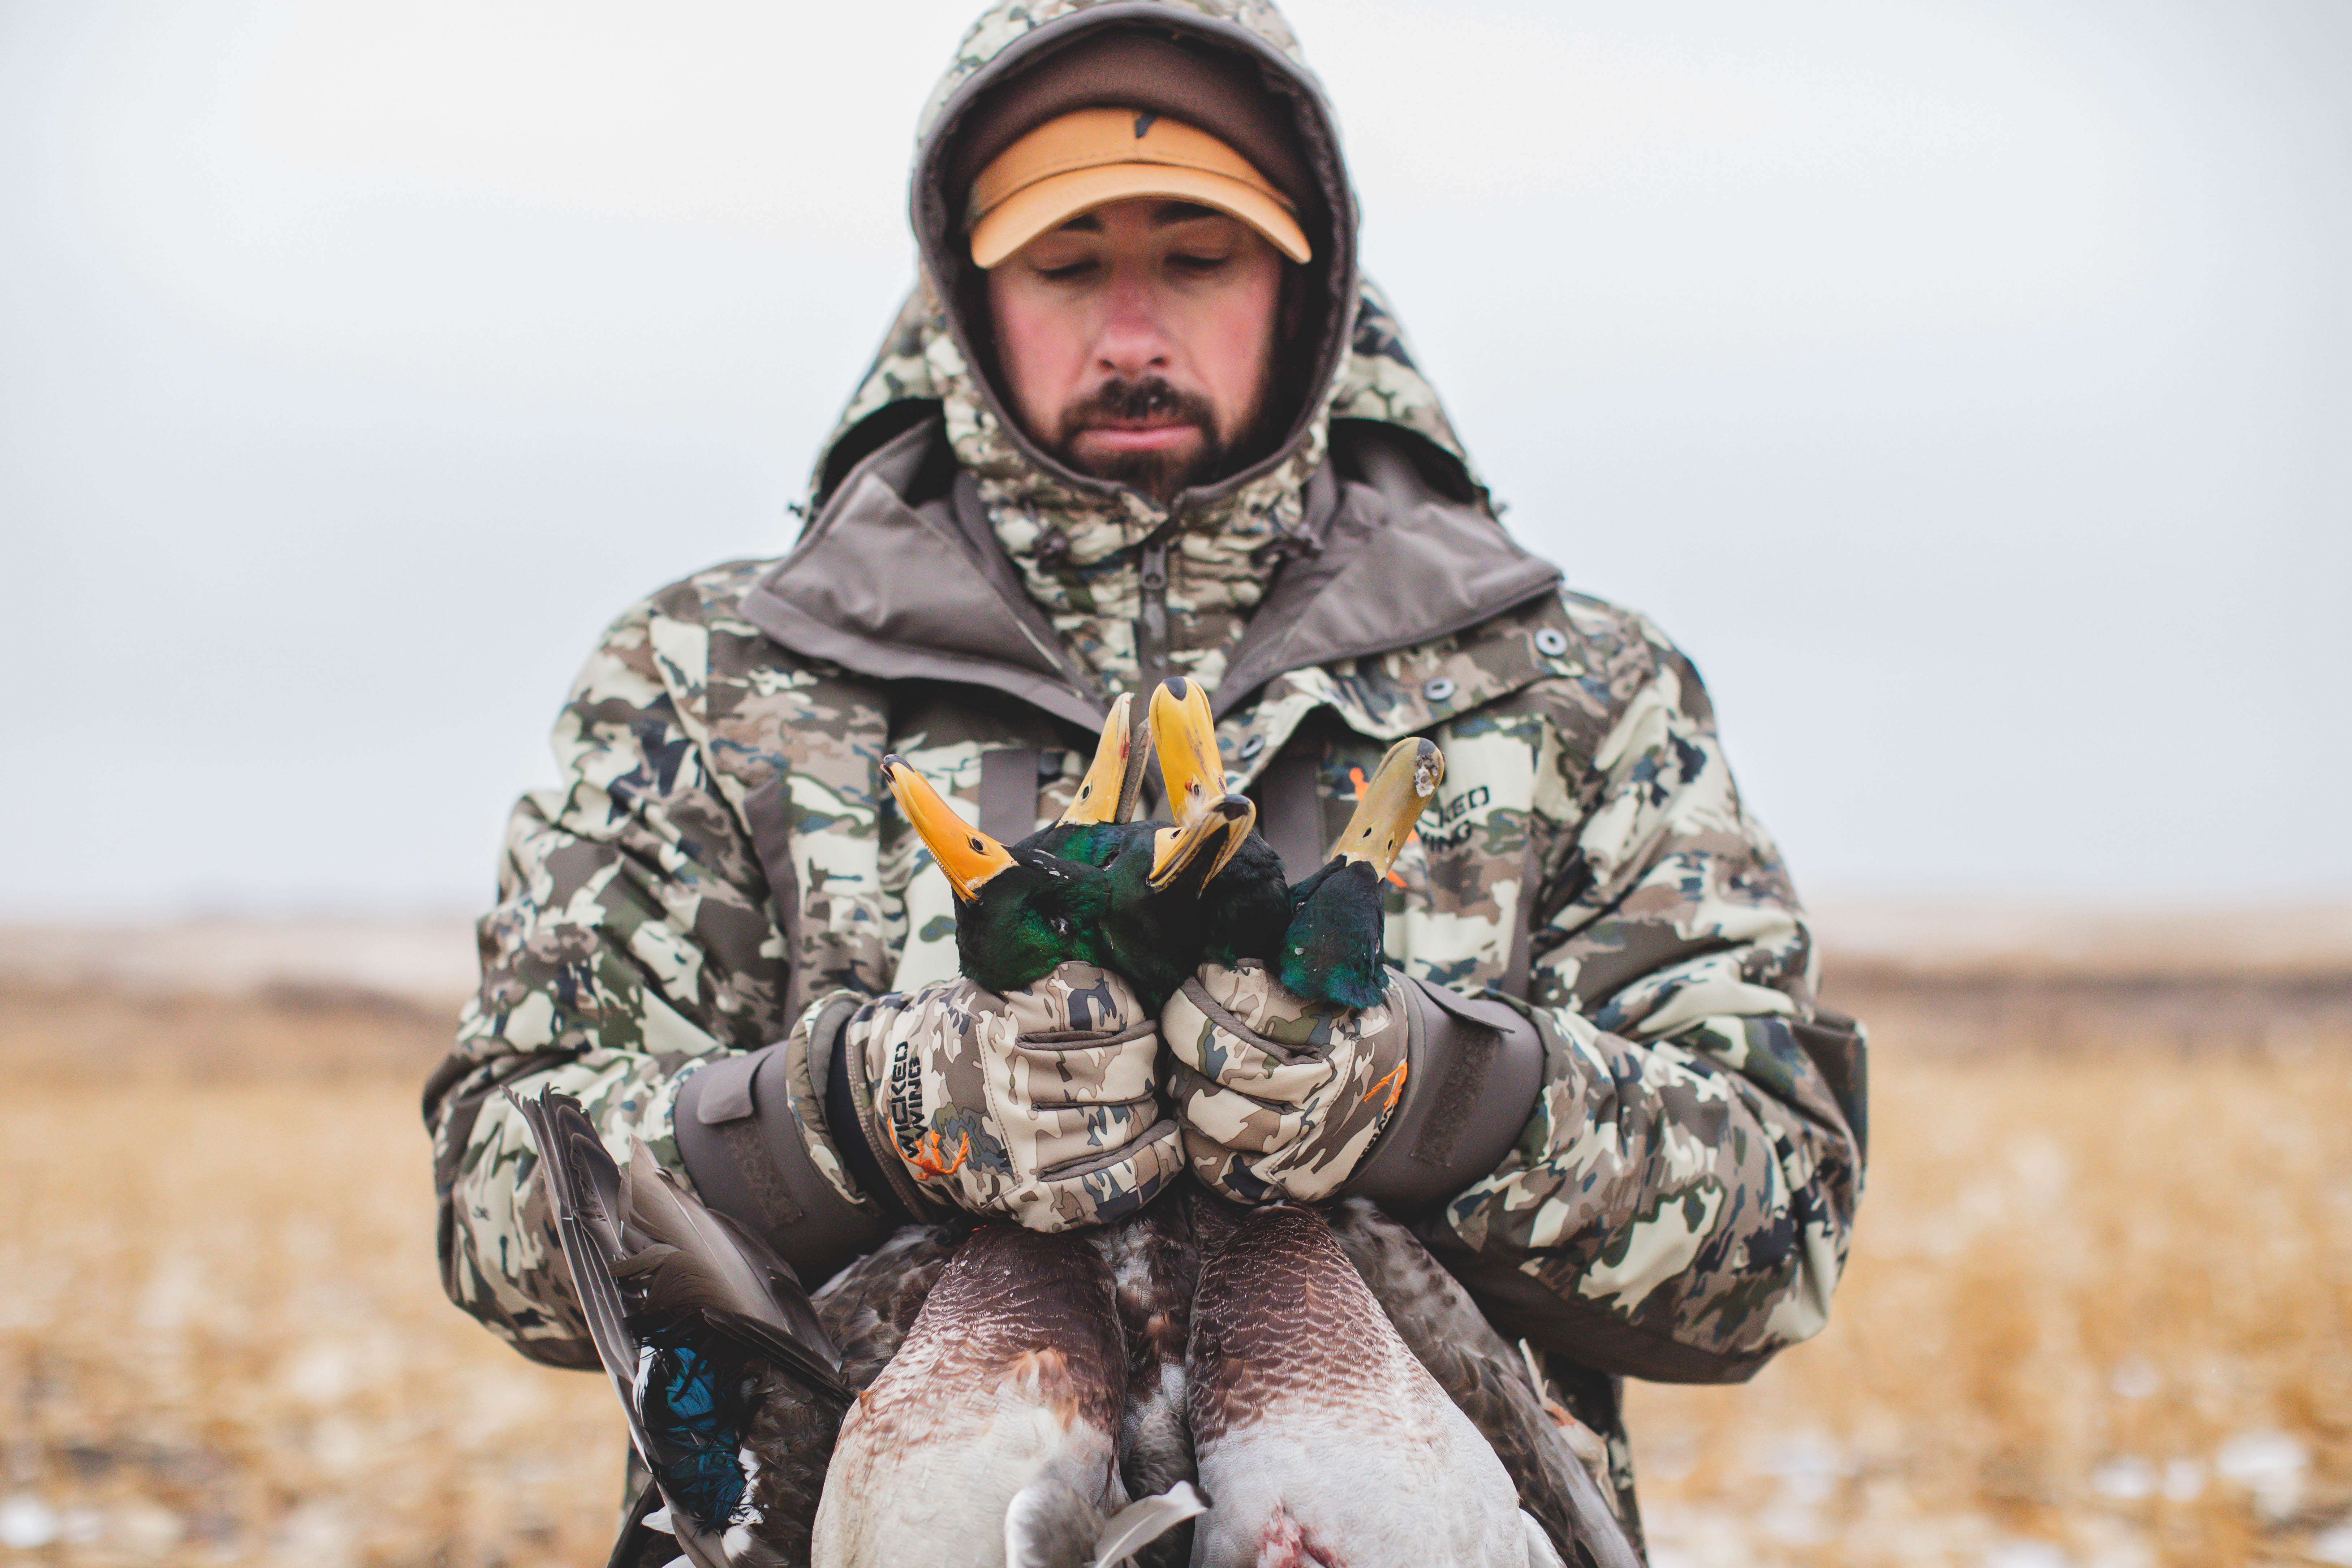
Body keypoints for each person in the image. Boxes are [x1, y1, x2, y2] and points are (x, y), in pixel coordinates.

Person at [422, 1, 1868, 1556]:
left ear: (1308, 273)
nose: (1129, 334)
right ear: (960, 290)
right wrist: (856, 1112)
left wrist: (1427, 1089)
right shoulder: (709, 683)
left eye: (1193, 255)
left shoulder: (1577, 690)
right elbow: (510, 1213)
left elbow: (1776, 1235)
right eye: (1063, 263)